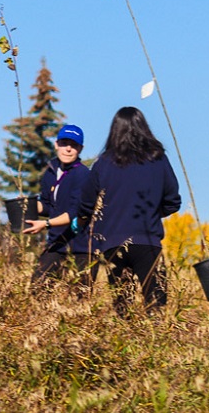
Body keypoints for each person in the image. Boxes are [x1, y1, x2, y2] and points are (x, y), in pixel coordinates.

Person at [47, 107, 180, 316]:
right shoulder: (159, 159)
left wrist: (85, 220)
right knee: (156, 306)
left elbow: (86, 203)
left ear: (114, 130)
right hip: (148, 241)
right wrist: (151, 214)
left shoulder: (103, 163)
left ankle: (129, 340)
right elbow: (173, 201)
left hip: (112, 244)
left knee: (122, 308)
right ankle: (153, 345)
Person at [22, 124, 96, 291]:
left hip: (81, 247)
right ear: (56, 144)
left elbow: (74, 212)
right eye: (64, 143)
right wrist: (30, 205)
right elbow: (48, 205)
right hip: (56, 242)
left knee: (80, 300)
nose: (68, 149)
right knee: (38, 289)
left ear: (80, 149)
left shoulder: (83, 174)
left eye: (74, 145)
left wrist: (45, 224)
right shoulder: (51, 171)